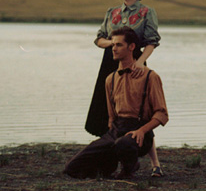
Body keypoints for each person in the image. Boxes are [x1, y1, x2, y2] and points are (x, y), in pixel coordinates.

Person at [85, 0, 164, 176]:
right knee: (108, 111)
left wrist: (139, 62)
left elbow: (151, 42)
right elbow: (99, 39)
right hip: (109, 64)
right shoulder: (111, 13)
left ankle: (156, 164)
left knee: (140, 112)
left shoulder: (147, 12)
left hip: (135, 63)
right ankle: (109, 161)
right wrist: (112, 43)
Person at [65, 27, 169, 179]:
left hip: (140, 134)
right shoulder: (110, 79)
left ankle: (130, 167)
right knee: (72, 168)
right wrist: (107, 140)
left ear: (131, 47)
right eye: (113, 45)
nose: (114, 48)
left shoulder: (150, 77)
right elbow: (112, 117)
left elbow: (162, 114)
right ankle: (109, 164)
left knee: (124, 144)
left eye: (119, 45)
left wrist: (142, 131)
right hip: (116, 131)